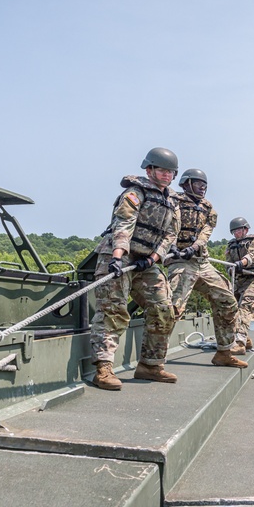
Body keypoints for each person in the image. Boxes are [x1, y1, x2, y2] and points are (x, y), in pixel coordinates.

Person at [89, 147, 182, 391]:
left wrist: (153, 259)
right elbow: (124, 224)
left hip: (145, 262)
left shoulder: (172, 201)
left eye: (170, 172)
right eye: (162, 170)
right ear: (149, 169)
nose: (166, 175)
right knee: (113, 310)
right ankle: (103, 368)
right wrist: (118, 256)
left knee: (164, 309)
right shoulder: (135, 193)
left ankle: (151, 365)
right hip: (118, 256)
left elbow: (171, 234)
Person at [167, 169, 247, 369]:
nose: (203, 187)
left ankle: (224, 352)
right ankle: (152, 362)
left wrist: (193, 247)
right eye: (198, 183)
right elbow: (164, 226)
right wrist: (172, 248)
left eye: (205, 184)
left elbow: (206, 232)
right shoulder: (172, 200)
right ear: (185, 183)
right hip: (178, 261)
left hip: (201, 261)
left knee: (227, 302)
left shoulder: (208, 208)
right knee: (173, 308)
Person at [224, 217, 254, 354]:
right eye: (234, 232)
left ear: (245, 230)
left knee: (245, 308)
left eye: (238, 231)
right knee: (231, 310)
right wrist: (231, 268)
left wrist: (242, 263)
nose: (236, 234)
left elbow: (252, 255)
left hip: (253, 280)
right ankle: (245, 339)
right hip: (238, 281)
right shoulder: (231, 245)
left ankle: (240, 343)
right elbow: (228, 263)